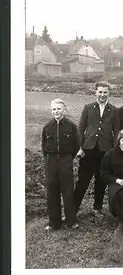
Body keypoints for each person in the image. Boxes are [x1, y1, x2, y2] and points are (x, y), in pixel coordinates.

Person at [74, 81, 120, 217]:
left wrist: (113, 150)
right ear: (96, 92)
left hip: (105, 151)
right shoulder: (88, 108)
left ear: (109, 93)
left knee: (101, 181)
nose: (102, 95)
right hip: (88, 149)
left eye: (105, 92)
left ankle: (97, 209)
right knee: (83, 181)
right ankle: (72, 210)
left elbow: (117, 130)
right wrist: (79, 147)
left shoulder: (114, 110)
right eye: (100, 92)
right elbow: (81, 128)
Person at [41, 98, 80, 230]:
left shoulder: (71, 126)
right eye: (53, 109)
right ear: (51, 111)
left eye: (58, 108)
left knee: (68, 191)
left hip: (66, 160)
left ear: (64, 109)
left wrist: (68, 158)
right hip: (51, 162)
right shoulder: (47, 127)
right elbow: (44, 147)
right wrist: (49, 159)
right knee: (52, 192)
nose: (56, 111)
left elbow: (76, 146)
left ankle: (71, 221)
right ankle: (54, 223)